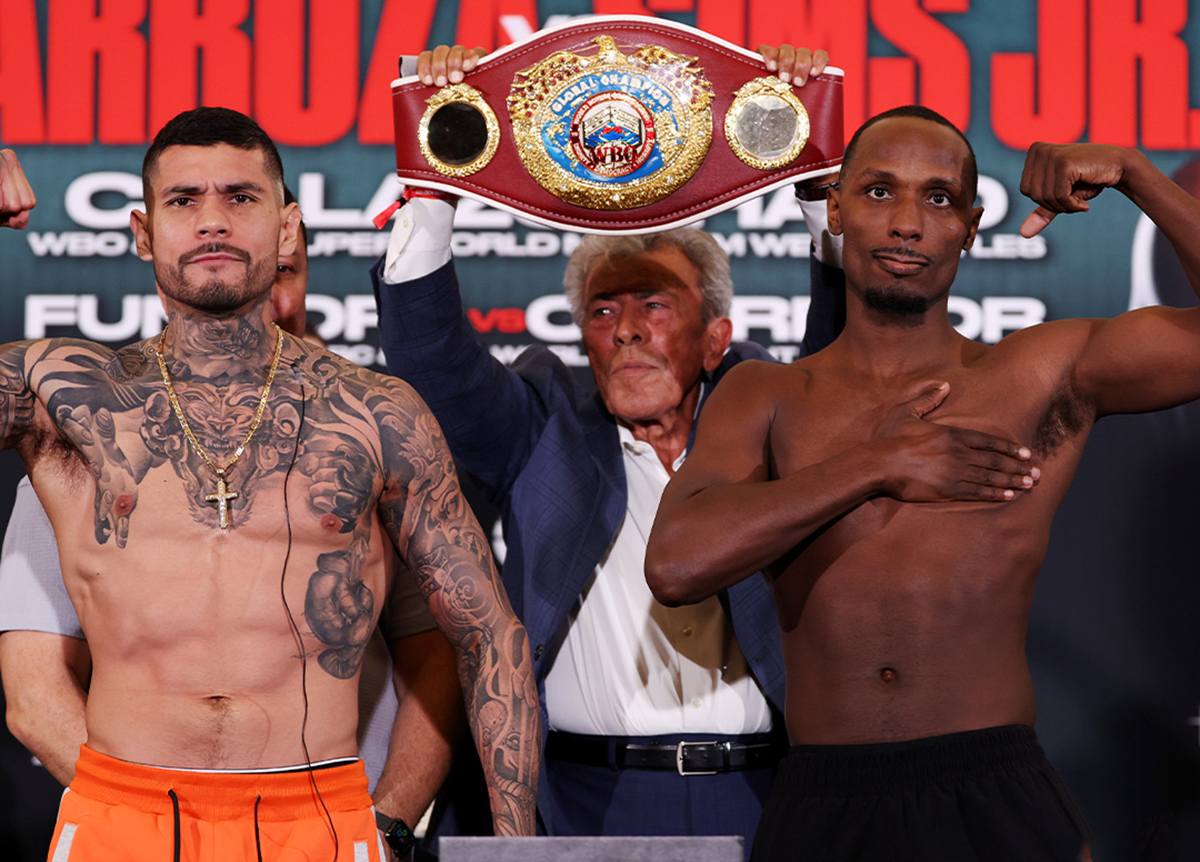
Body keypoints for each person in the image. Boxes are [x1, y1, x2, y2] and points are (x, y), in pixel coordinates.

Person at [375, 49, 1036, 856]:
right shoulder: (542, 423)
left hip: (763, 796)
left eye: (653, 304)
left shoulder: (771, 416)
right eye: (602, 312)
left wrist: (812, 174)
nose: (626, 330)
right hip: (580, 797)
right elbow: (435, 367)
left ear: (716, 336)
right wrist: (435, 183)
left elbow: (845, 345)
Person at [647, 106, 1200, 860]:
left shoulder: (1040, 372)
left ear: (969, 228)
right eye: (879, 191)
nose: (907, 223)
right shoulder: (764, 393)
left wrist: (1136, 174)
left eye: (938, 199)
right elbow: (676, 565)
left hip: (993, 791)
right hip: (822, 800)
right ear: (834, 210)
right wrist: (878, 463)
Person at [0, 107, 537, 862]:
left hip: (316, 816)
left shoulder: (376, 415)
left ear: (287, 229)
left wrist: (520, 851)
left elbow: (487, 635)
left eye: (240, 197)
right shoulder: (62, 396)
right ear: (143, 233)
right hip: (122, 811)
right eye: (183, 199)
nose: (212, 220)